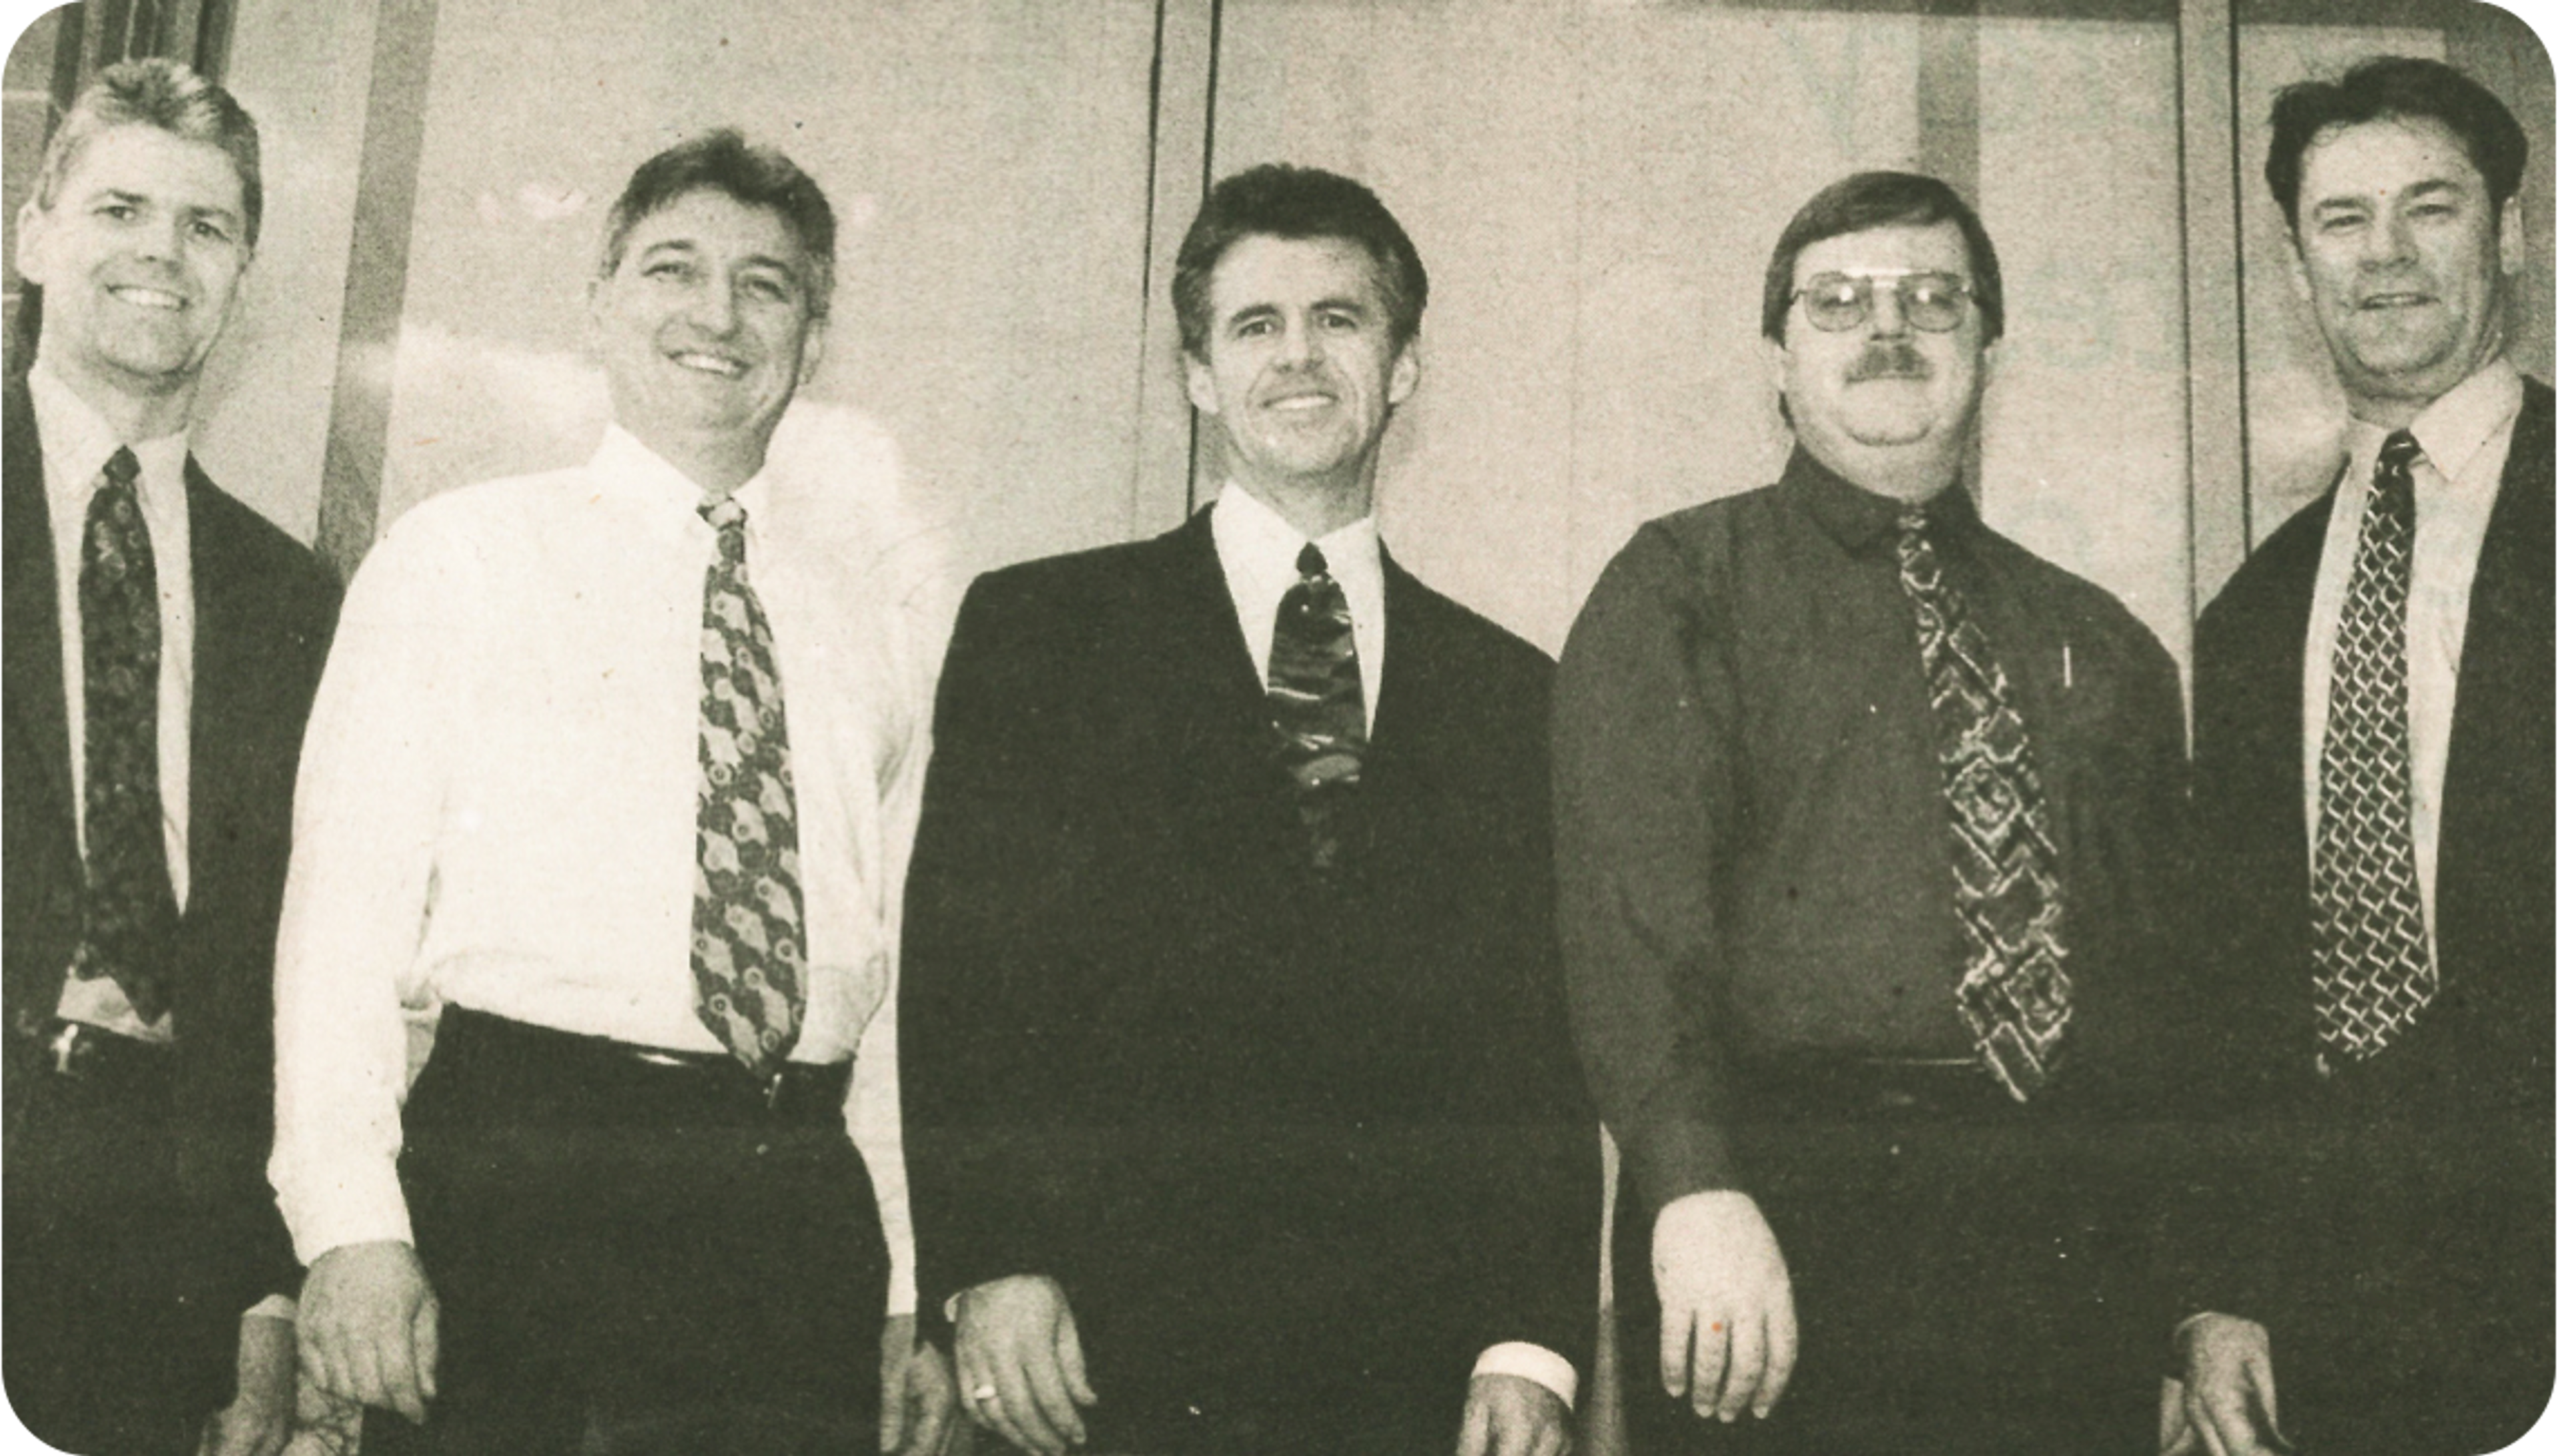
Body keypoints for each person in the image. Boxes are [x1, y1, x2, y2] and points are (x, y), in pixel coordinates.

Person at [268, 129, 953, 1454]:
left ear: (816, 336)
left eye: (767, 285)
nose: (717, 312)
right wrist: (351, 1224)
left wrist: (910, 1282)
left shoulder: (873, 621)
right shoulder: (460, 555)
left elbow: (893, 980)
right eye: (672, 268)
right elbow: (338, 924)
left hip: (794, 1201)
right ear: (600, 301)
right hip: (519, 1173)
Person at [902, 163, 1601, 1456]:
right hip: (1098, 1361)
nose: (1299, 356)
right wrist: (986, 1258)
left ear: (1402, 366)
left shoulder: (1514, 691)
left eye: (1340, 319)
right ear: (1198, 375)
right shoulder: (1040, 630)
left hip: (1405, 1377)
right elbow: (961, 980)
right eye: (1254, 325)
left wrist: (1530, 1342)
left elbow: (1536, 1049)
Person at [1553, 171, 2189, 1453]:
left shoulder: (2103, 641)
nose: (1887, 327)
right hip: (1772, 1226)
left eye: (1932, 298)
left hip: (2063, 1239)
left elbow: (2163, 998)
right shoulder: (1678, 586)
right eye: (1837, 300)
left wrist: (2180, 1293)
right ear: (1777, 360)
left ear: (1988, 350)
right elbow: (1628, 927)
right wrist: (1694, 1188)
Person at [2174, 55, 2558, 1456]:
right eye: (2342, 220)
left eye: (2431, 207)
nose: (2385, 256)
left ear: (2508, 234)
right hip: (2341, 1321)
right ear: (2295, 265)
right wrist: (2216, 1294)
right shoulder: (2248, 615)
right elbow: (2227, 993)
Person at [0, 56, 337, 1456]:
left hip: (146, 1246)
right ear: (34, 231)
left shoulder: (294, 597)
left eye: (205, 227)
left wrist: (260, 1301)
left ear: (243, 267)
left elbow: (282, 967)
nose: (162, 253)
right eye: (121, 208)